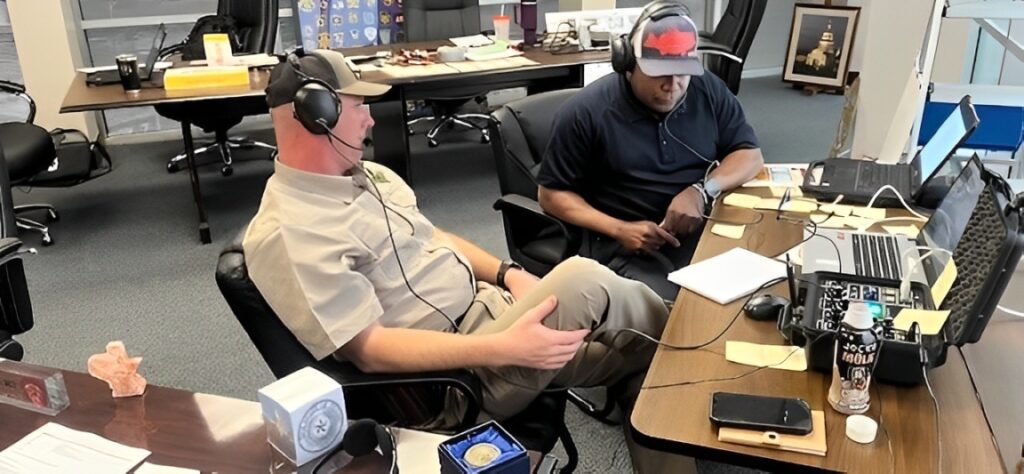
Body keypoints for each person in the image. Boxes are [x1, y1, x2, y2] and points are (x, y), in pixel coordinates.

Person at [242, 49, 669, 424]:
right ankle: (686, 330)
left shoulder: (366, 176)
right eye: (358, 105)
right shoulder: (289, 232)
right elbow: (368, 350)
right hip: (457, 378)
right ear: (321, 113)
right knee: (582, 280)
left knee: (645, 361)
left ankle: (677, 366)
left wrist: (508, 274)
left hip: (490, 312)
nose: (371, 118)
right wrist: (502, 348)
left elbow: (434, 236)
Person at [537, 1, 765, 300]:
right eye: (661, 74)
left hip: (698, 227)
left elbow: (749, 155)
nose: (673, 85)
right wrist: (620, 229)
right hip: (625, 244)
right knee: (674, 310)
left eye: (682, 73)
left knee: (756, 286)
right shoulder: (585, 113)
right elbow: (551, 195)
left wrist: (701, 190)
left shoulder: (708, 89)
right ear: (628, 64)